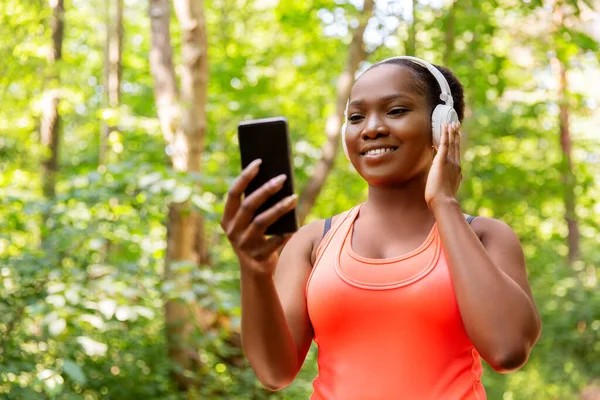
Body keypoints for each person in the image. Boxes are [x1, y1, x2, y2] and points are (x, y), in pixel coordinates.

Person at [220, 56, 542, 399]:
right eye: (356, 117)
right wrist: (254, 269)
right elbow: (274, 372)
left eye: (396, 111)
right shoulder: (314, 241)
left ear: (442, 125)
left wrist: (444, 203)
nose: (370, 128)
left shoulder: (485, 237)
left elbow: (508, 349)